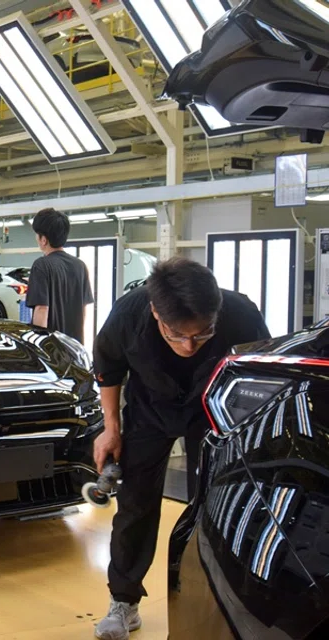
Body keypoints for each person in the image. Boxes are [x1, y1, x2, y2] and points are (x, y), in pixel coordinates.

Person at [91, 257, 270, 640]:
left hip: (211, 413)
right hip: (149, 412)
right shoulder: (129, 314)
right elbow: (108, 367)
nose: (188, 345)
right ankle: (124, 602)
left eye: (202, 334)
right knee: (135, 505)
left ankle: (214, 600)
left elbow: (258, 371)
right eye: (177, 335)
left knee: (212, 508)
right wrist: (111, 428)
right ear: (156, 312)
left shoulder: (240, 313)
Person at [26, 208, 94, 343]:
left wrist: (38, 346)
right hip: (74, 346)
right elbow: (83, 309)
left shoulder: (41, 265)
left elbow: (41, 308)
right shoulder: (80, 266)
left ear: (43, 239)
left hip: (52, 349)